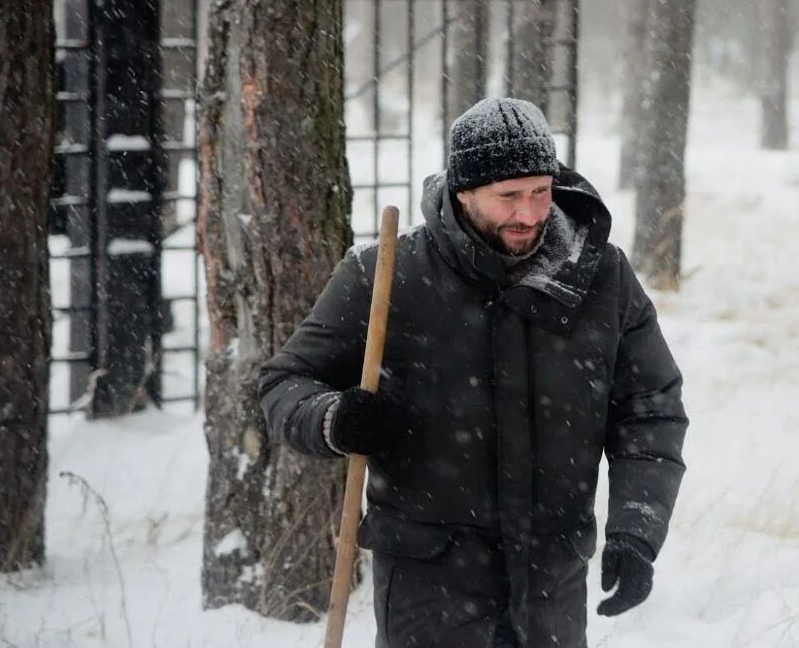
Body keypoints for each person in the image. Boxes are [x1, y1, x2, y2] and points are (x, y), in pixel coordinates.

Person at [258, 98, 688, 648]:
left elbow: (651, 410)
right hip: (429, 585)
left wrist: (636, 531)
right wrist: (332, 418)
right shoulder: (388, 274)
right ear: (463, 191)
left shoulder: (598, 276)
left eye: (540, 191)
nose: (529, 214)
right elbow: (284, 384)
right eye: (508, 197)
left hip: (550, 583)